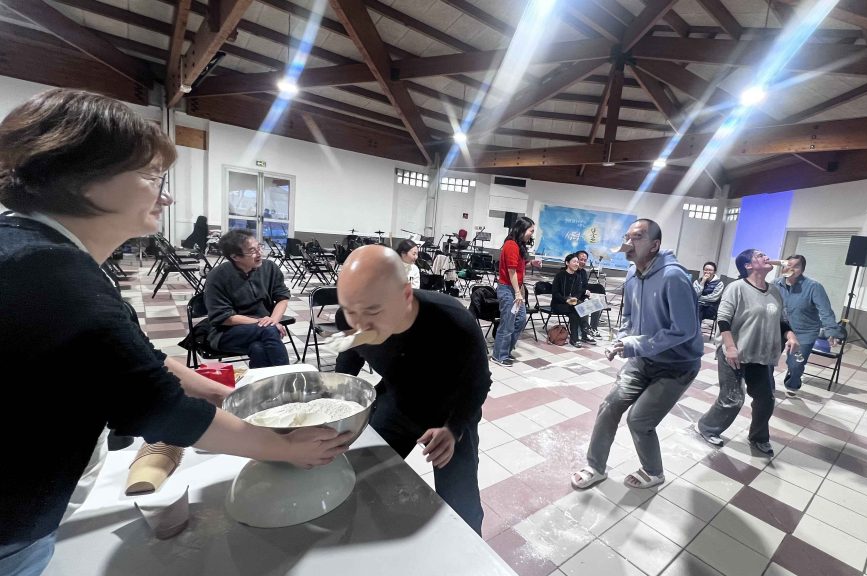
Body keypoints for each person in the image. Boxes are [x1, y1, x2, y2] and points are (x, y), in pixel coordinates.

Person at [0, 89, 348, 576]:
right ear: (83, 178)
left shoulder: (38, 253)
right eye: (151, 177)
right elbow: (156, 406)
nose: (167, 195)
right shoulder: (48, 273)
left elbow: (131, 354)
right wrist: (285, 448)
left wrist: (226, 395)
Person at [334, 245, 490, 534]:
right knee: (358, 475)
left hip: (450, 413)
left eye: (373, 311)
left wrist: (454, 429)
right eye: (350, 310)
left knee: (461, 505)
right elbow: (350, 356)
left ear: (406, 295)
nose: (360, 324)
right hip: (397, 401)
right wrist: (337, 402)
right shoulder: (350, 318)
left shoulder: (452, 322)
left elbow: (479, 382)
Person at [570, 219, 704, 490]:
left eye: (637, 237)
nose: (628, 243)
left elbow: (684, 330)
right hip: (643, 360)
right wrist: (622, 339)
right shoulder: (632, 273)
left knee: (639, 420)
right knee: (609, 407)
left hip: (676, 365)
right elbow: (628, 316)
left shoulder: (674, 277)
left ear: (654, 245)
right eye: (627, 237)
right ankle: (595, 466)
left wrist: (636, 345)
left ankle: (654, 471)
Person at [698, 249, 800, 456]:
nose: (766, 257)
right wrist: (730, 347)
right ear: (748, 265)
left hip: (761, 355)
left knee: (766, 399)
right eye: (760, 255)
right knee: (733, 399)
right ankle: (707, 427)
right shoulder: (736, 288)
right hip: (734, 353)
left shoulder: (774, 291)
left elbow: (782, 320)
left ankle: (759, 437)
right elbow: (723, 319)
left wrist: (790, 335)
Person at [203, 229, 292, 368]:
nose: (259, 253)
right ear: (235, 257)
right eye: (252, 251)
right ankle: (287, 376)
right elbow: (223, 317)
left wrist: (273, 320)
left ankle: (265, 381)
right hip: (226, 332)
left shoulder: (269, 268)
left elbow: (283, 298)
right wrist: (266, 324)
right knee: (268, 330)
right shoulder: (217, 276)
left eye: (259, 247)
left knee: (259, 348)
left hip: (263, 329)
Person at [774, 254, 844, 397]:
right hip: (780, 328)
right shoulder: (775, 284)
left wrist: (832, 331)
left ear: (802, 269)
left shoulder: (813, 287)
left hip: (804, 332)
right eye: (789, 265)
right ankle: (767, 384)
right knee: (769, 360)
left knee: (796, 364)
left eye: (796, 266)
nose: (792, 269)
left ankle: (792, 383)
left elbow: (825, 310)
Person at [491, 216, 535, 367]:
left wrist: (531, 263)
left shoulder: (518, 245)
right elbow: (511, 271)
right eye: (531, 231)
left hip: (515, 289)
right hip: (508, 290)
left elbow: (519, 267)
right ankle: (499, 356)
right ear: (522, 229)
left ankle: (505, 351)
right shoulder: (511, 245)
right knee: (507, 323)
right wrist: (517, 292)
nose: (532, 234)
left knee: (520, 319)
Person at [552, 253, 595, 348]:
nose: (577, 264)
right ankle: (585, 328)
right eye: (574, 262)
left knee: (577, 310)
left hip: (572, 304)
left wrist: (574, 299)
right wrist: (566, 300)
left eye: (577, 262)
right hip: (559, 304)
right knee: (577, 309)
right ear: (567, 263)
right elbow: (555, 293)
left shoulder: (577, 276)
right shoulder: (560, 275)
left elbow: (578, 292)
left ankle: (575, 338)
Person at [575, 250, 603, 338]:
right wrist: (584, 293)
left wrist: (586, 296)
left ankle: (593, 328)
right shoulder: (570, 271)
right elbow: (573, 289)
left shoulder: (583, 272)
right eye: (581, 259)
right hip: (571, 300)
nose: (583, 262)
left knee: (596, 304)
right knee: (585, 306)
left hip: (581, 298)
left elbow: (585, 286)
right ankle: (585, 332)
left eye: (585, 260)